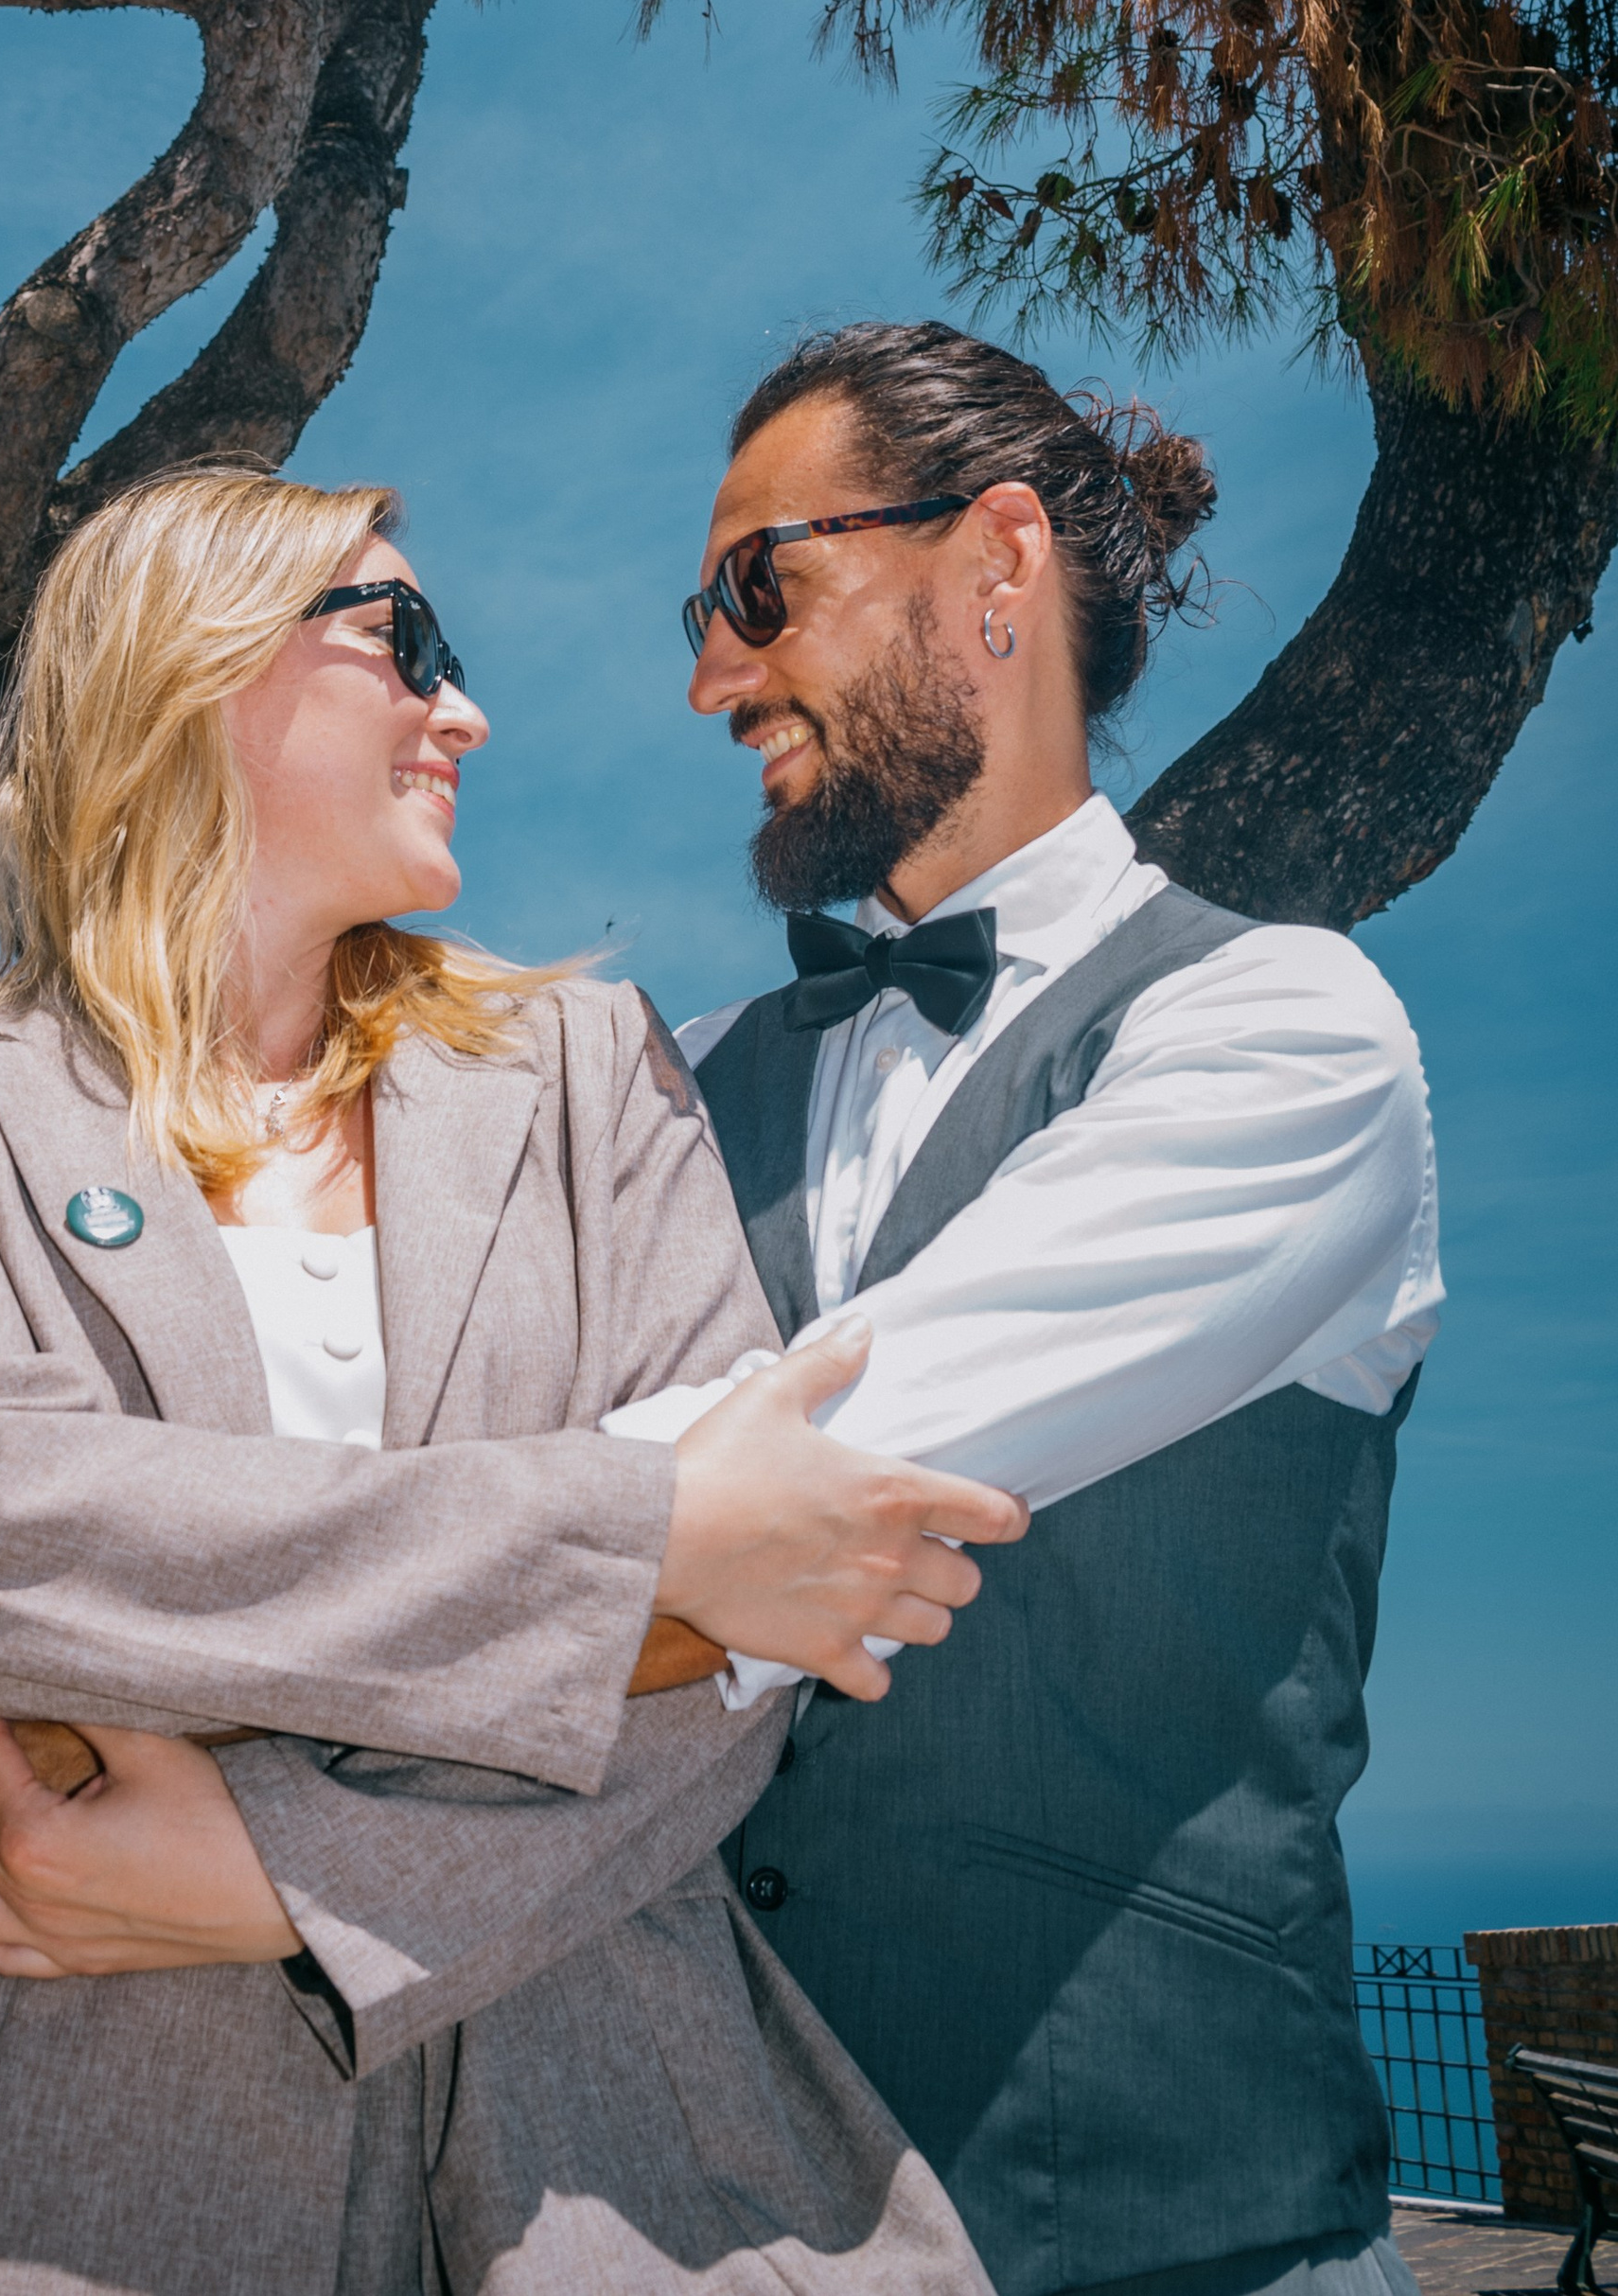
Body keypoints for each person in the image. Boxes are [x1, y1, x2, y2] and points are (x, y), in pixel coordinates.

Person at [0, 464, 1024, 2296]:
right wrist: (644, 1535)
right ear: (181, 665)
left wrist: (281, 1874)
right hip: (65, 2139)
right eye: (399, 638)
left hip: (619, 2139)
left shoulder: (584, 1064)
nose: (463, 708)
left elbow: (745, 1643)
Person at [662, 322, 1441, 2296]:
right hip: (685, 2225)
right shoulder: (669, 1083)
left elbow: (815, 1480)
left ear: (992, 564)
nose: (709, 676)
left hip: (1164, 2243)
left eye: (759, 584)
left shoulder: (1283, 1034)